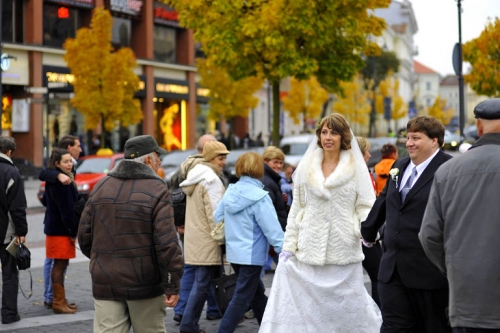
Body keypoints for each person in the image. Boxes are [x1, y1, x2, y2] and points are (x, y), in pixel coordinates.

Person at [259, 113, 381, 332]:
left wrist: (362, 230)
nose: (328, 137)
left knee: (346, 311)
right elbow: (298, 208)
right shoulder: (306, 167)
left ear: (343, 136)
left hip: (343, 249)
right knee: (308, 311)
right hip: (309, 247)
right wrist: (288, 246)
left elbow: (365, 206)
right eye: (324, 132)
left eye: (334, 132)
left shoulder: (355, 168)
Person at [78, 135, 184, 332]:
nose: (160, 162)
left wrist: (103, 260)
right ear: (148, 160)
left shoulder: (101, 186)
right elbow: (167, 244)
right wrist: (171, 283)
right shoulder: (157, 189)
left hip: (106, 280)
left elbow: (84, 237)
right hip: (144, 283)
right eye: (157, 158)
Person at [361, 115, 452, 333]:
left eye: (416, 138)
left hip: (429, 270)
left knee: (433, 327)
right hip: (392, 268)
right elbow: (384, 200)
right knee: (394, 326)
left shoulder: (448, 168)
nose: (409, 143)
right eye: (408, 138)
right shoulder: (399, 165)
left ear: (434, 140)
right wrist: (368, 230)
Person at [419, 99, 500, 332]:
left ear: (479, 127)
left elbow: (429, 235)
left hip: (468, 301)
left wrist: (455, 267)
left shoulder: (447, 171)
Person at [214, 152, 284, 333]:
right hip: (252, 254)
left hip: (234, 253)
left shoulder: (230, 191)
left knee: (256, 294)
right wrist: (283, 249)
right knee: (243, 297)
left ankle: (270, 327)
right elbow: (272, 229)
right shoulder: (260, 197)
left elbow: (218, 216)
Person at [170, 134, 223, 323]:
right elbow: (214, 210)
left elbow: (174, 196)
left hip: (189, 227)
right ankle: (211, 310)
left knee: (193, 270)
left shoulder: (185, 169)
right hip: (204, 230)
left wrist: (179, 221)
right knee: (205, 272)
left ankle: (183, 310)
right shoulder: (210, 173)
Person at [178, 141, 230, 333]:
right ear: (210, 158)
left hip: (196, 239)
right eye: (220, 158)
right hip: (208, 240)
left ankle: (191, 323)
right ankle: (188, 325)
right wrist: (223, 240)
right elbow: (216, 216)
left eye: (225, 158)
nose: (223, 162)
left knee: (204, 283)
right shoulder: (211, 180)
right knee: (202, 284)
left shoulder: (196, 178)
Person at [39, 134, 82, 310]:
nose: (70, 164)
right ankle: (55, 300)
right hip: (60, 229)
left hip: (55, 228)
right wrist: (73, 232)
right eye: (66, 162)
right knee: (57, 264)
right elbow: (66, 211)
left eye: (70, 162)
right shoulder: (60, 180)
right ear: (58, 163)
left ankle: (59, 300)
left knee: (59, 264)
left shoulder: (63, 176)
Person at [0, 137, 28, 324]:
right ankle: (9, 314)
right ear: (9, 151)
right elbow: (17, 208)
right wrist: (21, 232)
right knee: (9, 274)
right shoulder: (11, 172)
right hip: (5, 233)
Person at [356, 137, 382, 308]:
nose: (369, 155)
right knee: (378, 275)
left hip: (367, 231)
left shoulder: (364, 172)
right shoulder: (361, 174)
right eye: (366, 151)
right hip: (364, 233)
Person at [261, 146, 288, 232]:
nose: (279, 166)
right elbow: (268, 213)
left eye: (281, 163)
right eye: (275, 162)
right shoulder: (267, 181)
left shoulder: (273, 179)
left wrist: (281, 200)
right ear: (265, 161)